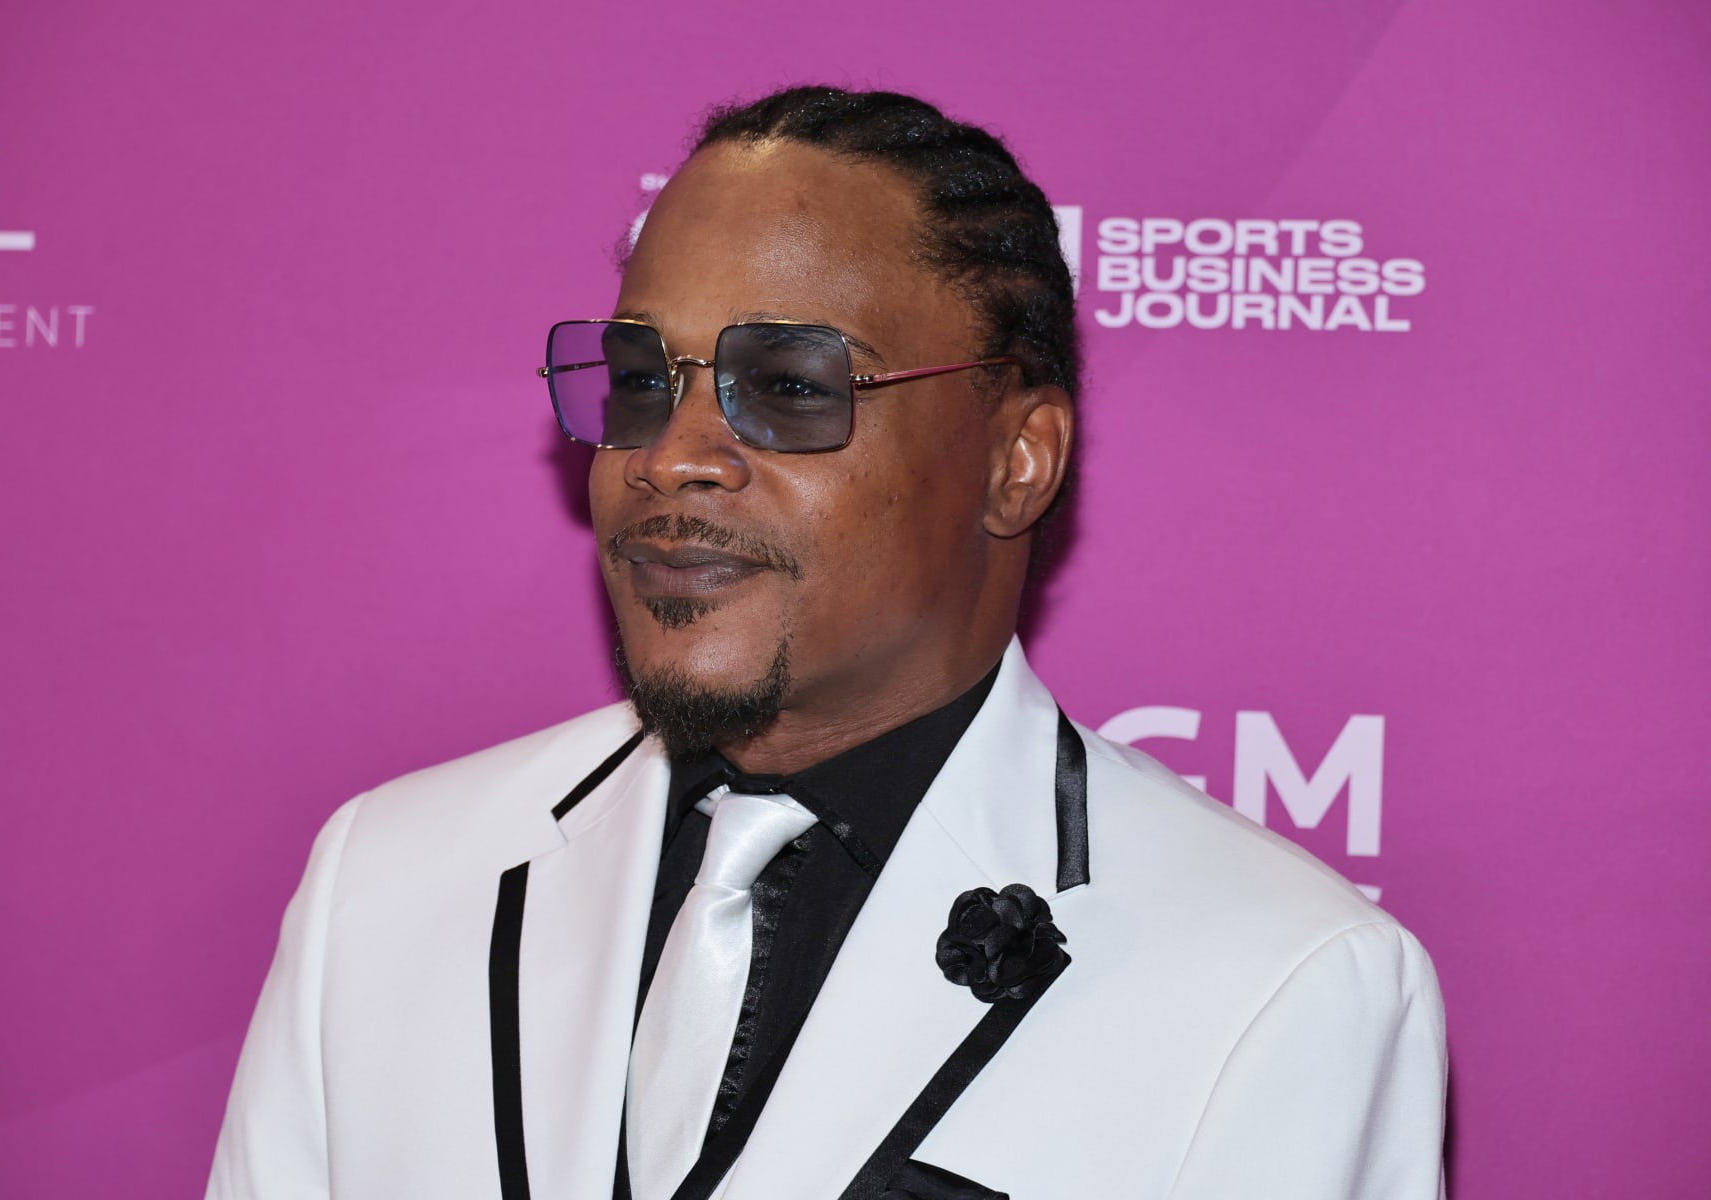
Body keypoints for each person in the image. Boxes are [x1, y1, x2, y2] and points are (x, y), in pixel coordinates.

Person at [208, 87, 1447, 1200]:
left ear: (1017, 461)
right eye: (642, 380)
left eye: (790, 384)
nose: (672, 456)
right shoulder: (386, 884)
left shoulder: (1282, 983)